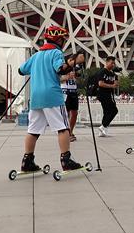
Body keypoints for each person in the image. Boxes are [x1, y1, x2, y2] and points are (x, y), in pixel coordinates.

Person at [17, 25, 85, 174]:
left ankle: (27, 161)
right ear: (58, 39)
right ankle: (66, 160)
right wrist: (73, 62)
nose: (63, 42)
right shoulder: (56, 53)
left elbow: (21, 70)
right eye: (62, 39)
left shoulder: (36, 55)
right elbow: (60, 69)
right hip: (52, 96)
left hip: (36, 98)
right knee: (63, 128)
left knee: (33, 130)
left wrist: (37, 69)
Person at [95, 56, 119, 137]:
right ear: (107, 62)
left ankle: (103, 130)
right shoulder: (102, 72)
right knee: (114, 110)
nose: (113, 65)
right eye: (111, 63)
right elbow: (100, 83)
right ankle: (103, 126)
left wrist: (116, 78)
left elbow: (116, 84)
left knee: (107, 112)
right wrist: (111, 86)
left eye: (114, 63)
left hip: (110, 94)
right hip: (102, 94)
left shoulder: (113, 74)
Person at [60, 62, 81, 141]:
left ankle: (70, 131)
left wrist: (76, 77)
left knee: (74, 113)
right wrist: (67, 77)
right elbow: (58, 79)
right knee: (66, 113)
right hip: (65, 92)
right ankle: (66, 133)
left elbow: (79, 81)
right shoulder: (62, 68)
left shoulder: (75, 69)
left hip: (73, 92)